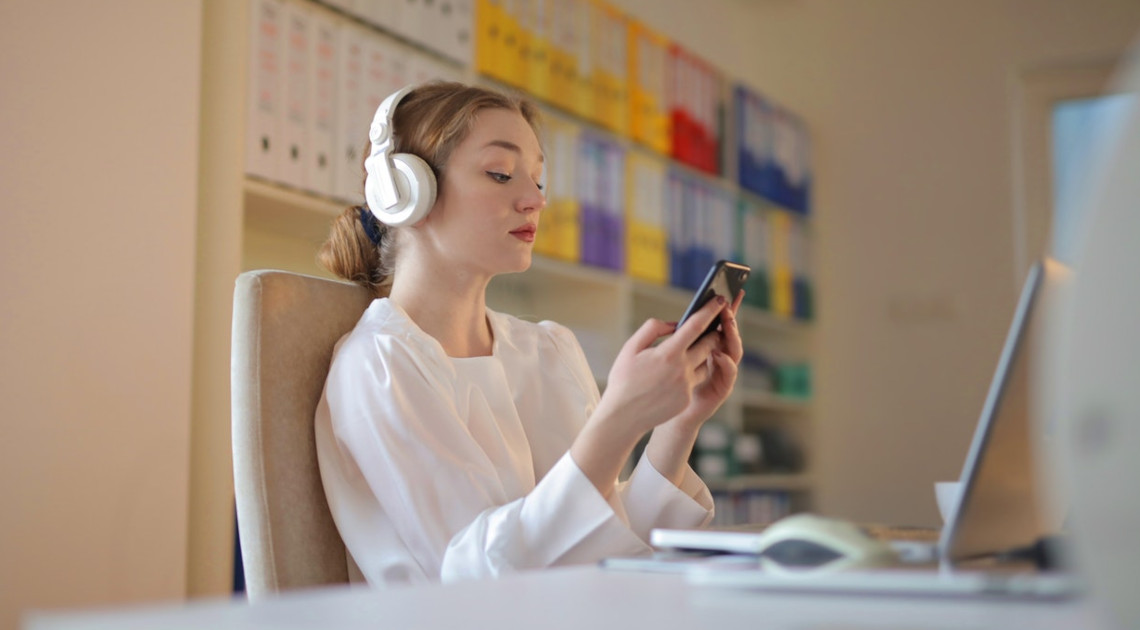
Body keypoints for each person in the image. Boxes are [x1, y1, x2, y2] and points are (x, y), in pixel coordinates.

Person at [314, 81, 743, 586]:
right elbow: (482, 583)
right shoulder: (380, 365)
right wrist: (620, 418)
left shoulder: (547, 349)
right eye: (500, 174)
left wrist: (681, 420)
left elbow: (610, 545)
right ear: (405, 192)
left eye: (538, 180)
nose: (534, 201)